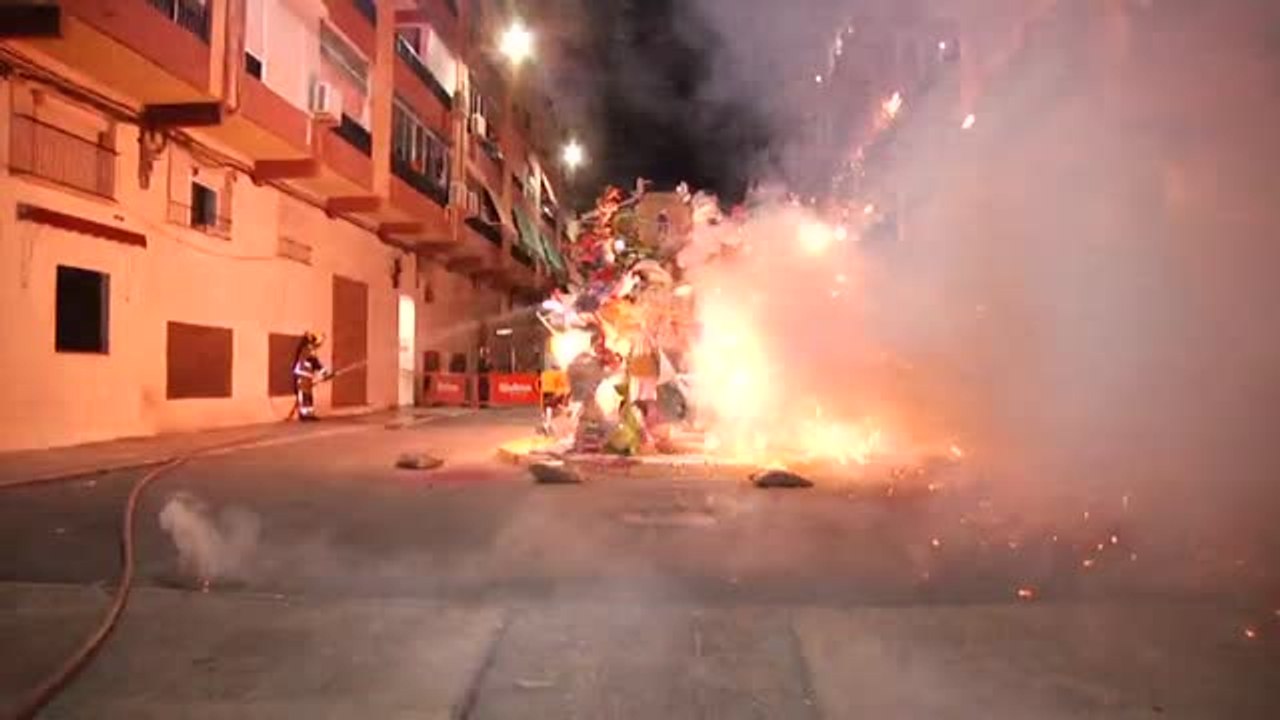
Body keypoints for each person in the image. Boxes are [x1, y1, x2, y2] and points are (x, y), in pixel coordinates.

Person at [293, 332, 329, 421]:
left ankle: (309, 413)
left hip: (307, 375)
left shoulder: (309, 349)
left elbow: (314, 363)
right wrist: (324, 372)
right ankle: (303, 414)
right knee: (304, 394)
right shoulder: (306, 349)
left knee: (309, 395)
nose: (318, 345)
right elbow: (315, 362)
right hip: (301, 374)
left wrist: (323, 373)